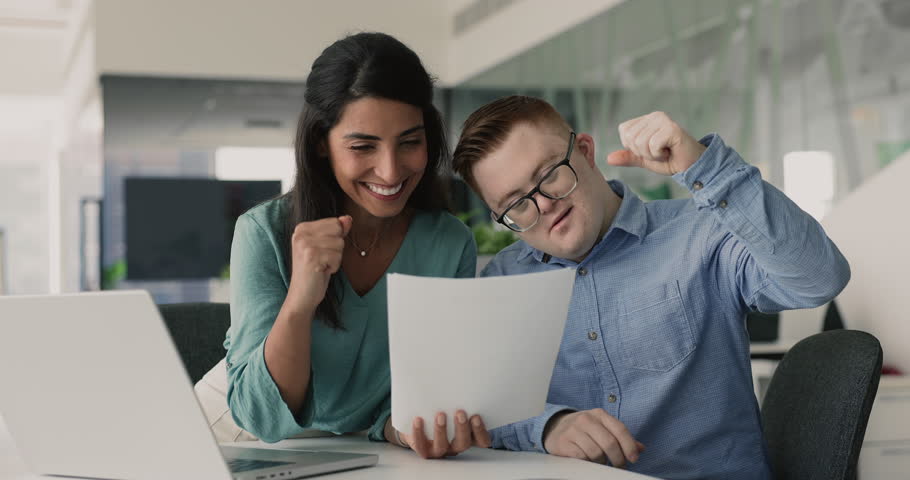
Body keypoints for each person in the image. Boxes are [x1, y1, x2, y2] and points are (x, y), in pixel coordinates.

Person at [452, 95, 850, 479]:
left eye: (549, 176)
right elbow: (484, 410)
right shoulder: (503, 280)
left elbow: (819, 278)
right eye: (516, 203)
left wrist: (705, 168)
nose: (544, 205)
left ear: (586, 152)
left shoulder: (701, 233)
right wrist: (547, 426)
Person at [194, 32, 491, 459]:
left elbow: (423, 386)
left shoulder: (449, 243)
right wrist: (301, 298)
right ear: (321, 144)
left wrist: (399, 424)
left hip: (358, 446)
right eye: (362, 146)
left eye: (409, 141)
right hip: (234, 432)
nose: (390, 171)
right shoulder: (262, 231)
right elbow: (261, 418)